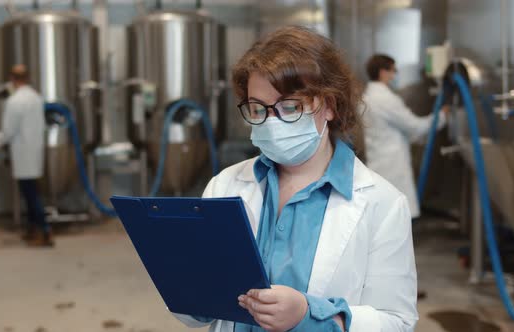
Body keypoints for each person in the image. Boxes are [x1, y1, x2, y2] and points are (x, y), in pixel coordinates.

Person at [173, 27, 417, 332]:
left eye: (290, 107)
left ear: (328, 105)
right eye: (257, 108)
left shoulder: (383, 203)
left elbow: (397, 322)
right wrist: (187, 288)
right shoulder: (225, 185)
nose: (271, 123)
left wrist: (309, 316)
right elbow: (197, 312)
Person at [362, 54, 449, 219]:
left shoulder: (367, 97)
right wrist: (442, 116)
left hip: (378, 161)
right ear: (382, 72)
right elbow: (415, 125)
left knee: (383, 214)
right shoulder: (385, 99)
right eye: (393, 71)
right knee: (394, 216)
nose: (395, 75)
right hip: (392, 165)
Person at [0, 64, 52, 247]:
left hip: (23, 153)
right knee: (31, 192)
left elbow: (9, 130)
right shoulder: (36, 97)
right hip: (35, 151)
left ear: (12, 79)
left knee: (31, 194)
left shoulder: (15, 101)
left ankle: (44, 231)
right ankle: (33, 230)